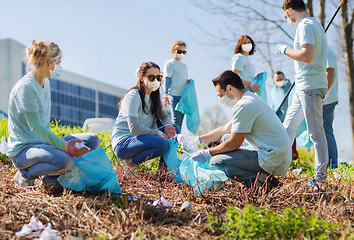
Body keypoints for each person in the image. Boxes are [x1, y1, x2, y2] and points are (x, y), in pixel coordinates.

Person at [8, 40, 101, 188]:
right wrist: (65, 146)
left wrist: (66, 145)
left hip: (43, 145)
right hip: (23, 152)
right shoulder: (25, 87)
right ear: (50, 62)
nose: (59, 67)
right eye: (58, 62)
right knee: (66, 161)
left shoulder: (45, 83)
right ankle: (24, 175)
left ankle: (50, 179)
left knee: (92, 140)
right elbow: (36, 127)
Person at [181, 71, 291, 188]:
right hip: (276, 152)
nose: (221, 99)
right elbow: (226, 129)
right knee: (225, 138)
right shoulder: (250, 98)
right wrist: (197, 140)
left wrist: (207, 153)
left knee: (216, 162)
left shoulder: (244, 105)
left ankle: (262, 182)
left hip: (273, 157)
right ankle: (259, 177)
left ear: (229, 88)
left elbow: (234, 143)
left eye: (221, 95)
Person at [276, 0, 328, 186]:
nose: (287, 19)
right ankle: (276, 168)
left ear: (289, 12)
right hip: (303, 86)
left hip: (311, 86)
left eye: (285, 15)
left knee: (316, 133)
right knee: (288, 128)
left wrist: (284, 49)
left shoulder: (305, 26)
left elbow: (306, 56)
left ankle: (320, 179)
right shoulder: (316, 25)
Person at [111, 62, 179, 173]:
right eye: (151, 77)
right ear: (142, 78)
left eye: (158, 77)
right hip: (123, 143)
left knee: (175, 129)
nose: (156, 81)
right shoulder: (133, 96)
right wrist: (158, 133)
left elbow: (164, 115)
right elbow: (134, 128)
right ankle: (129, 163)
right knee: (163, 144)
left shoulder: (154, 97)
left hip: (140, 139)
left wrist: (168, 126)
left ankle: (162, 171)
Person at [162, 41, 192, 130]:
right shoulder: (169, 64)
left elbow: (181, 79)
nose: (181, 54)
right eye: (179, 51)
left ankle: (178, 141)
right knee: (176, 121)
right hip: (174, 95)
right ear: (173, 51)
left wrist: (188, 82)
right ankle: (174, 141)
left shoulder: (184, 66)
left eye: (184, 52)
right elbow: (167, 79)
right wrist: (165, 94)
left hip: (183, 96)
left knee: (180, 122)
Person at [271, 71, 299, 160]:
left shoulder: (289, 87)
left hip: (290, 119)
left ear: (285, 79)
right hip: (279, 122)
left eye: (281, 79)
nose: (279, 81)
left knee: (291, 143)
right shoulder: (273, 91)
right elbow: (273, 104)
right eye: (277, 80)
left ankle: (294, 160)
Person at [323, 46, 338, 168]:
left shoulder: (326, 51)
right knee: (325, 132)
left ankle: (332, 165)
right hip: (326, 99)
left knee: (327, 132)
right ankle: (328, 164)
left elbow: (330, 72)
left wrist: (322, 95)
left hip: (326, 99)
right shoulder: (324, 51)